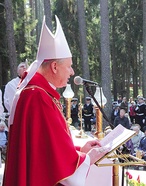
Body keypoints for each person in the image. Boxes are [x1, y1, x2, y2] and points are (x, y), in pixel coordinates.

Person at [3, 16, 108, 186]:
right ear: (54, 67)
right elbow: (51, 166)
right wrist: (88, 159)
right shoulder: (38, 97)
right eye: (69, 66)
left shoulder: (34, 91)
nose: (72, 72)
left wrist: (79, 151)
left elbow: (44, 150)